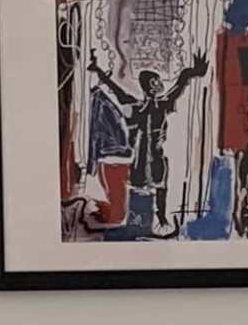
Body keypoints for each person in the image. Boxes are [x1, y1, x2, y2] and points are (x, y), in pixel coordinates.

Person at [84, 50, 207, 236]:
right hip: (141, 157)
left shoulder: (161, 104)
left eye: (158, 81)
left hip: (155, 156)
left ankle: (162, 218)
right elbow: (116, 90)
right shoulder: (138, 107)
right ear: (148, 86)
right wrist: (99, 72)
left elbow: (180, 84)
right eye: (155, 82)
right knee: (141, 188)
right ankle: (141, 222)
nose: (159, 84)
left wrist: (192, 72)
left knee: (160, 186)